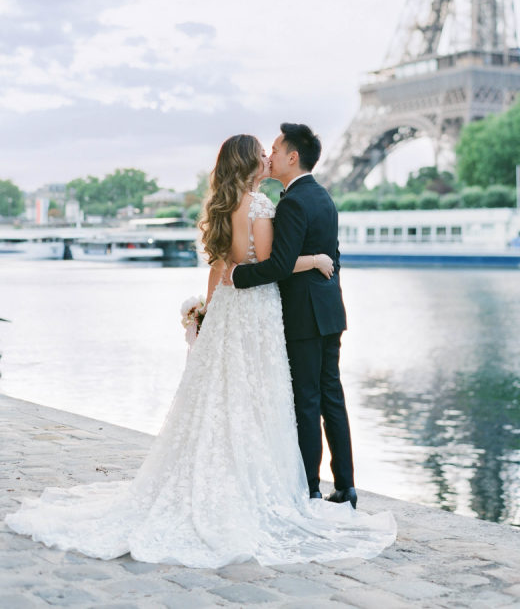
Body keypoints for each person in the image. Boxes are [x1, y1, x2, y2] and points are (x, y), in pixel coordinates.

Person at [6, 134, 396, 567]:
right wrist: (316, 259)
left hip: (229, 312)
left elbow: (220, 271)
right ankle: (277, 483)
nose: (268, 158)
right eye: (262, 155)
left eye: (273, 151)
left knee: (221, 396)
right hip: (257, 313)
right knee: (261, 397)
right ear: (251, 165)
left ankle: (218, 474)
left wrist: (207, 315)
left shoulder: (222, 207)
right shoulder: (264, 207)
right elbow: (271, 267)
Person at [230, 123, 356, 508]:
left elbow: (279, 265)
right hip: (330, 310)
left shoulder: (292, 203)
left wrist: (237, 275)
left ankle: (310, 487)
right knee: (331, 396)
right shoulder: (324, 197)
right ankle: (346, 485)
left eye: (274, 148)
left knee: (306, 400)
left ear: (292, 156)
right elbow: (334, 258)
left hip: (302, 315)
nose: (269, 155)